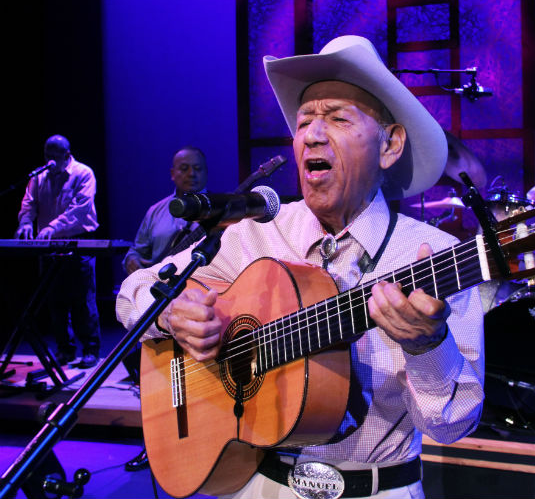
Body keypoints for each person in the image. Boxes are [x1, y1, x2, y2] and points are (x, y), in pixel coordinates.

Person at [116, 35, 484, 499]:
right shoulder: (255, 231)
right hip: (258, 483)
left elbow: (452, 426)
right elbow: (135, 289)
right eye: (304, 119)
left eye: (337, 118)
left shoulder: (435, 257)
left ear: (389, 145)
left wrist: (427, 345)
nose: (311, 133)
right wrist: (172, 313)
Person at [15, 134, 101, 368]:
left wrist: (53, 227)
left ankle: (90, 349)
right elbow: (29, 203)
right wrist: (25, 223)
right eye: (47, 155)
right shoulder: (39, 177)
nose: (50, 159)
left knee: (82, 298)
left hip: (77, 240)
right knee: (56, 300)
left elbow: (80, 209)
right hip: (49, 243)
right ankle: (65, 349)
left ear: (66, 153)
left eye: (55, 155)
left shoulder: (83, 173)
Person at [123, 146, 208, 275]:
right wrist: (132, 260)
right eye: (184, 168)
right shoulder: (155, 211)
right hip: (160, 288)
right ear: (172, 174)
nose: (191, 174)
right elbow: (137, 252)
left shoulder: (221, 211)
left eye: (197, 168)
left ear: (206, 172)